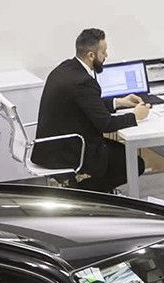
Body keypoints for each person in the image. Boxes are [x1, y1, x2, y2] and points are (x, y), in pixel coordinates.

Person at [33, 28, 149, 193]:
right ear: (91, 55)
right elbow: (105, 124)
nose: (106, 56)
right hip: (70, 151)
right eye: (104, 52)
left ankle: (89, 191)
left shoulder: (66, 68)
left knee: (120, 155)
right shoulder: (83, 81)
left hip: (52, 147)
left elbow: (87, 104)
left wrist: (119, 102)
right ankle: (85, 194)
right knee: (135, 163)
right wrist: (135, 116)